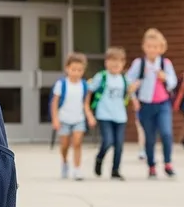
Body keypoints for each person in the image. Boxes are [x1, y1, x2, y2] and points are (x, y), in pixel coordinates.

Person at [127, 28, 178, 178]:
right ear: (144, 47)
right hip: (145, 104)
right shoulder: (139, 63)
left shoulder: (165, 63)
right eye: (149, 46)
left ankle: (168, 163)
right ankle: (151, 165)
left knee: (167, 133)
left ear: (161, 48)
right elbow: (128, 81)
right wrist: (133, 95)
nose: (152, 50)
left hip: (162, 104)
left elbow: (173, 82)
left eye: (156, 47)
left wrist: (165, 78)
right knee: (149, 137)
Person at [51, 52, 96, 180]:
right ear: (67, 69)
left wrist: (90, 117)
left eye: (79, 70)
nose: (76, 72)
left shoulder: (84, 85)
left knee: (77, 143)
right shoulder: (61, 84)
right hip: (64, 119)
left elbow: (85, 104)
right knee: (64, 145)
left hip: (78, 119)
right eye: (73, 69)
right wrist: (55, 119)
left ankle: (77, 169)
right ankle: (65, 161)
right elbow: (54, 104)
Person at [87, 47, 129, 180]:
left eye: (119, 61)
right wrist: (89, 111)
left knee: (119, 144)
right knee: (108, 141)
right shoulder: (102, 76)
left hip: (120, 115)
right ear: (106, 62)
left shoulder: (124, 79)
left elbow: (127, 96)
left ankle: (115, 170)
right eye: (112, 61)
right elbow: (90, 90)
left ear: (123, 64)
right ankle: (99, 159)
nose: (115, 64)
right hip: (104, 114)